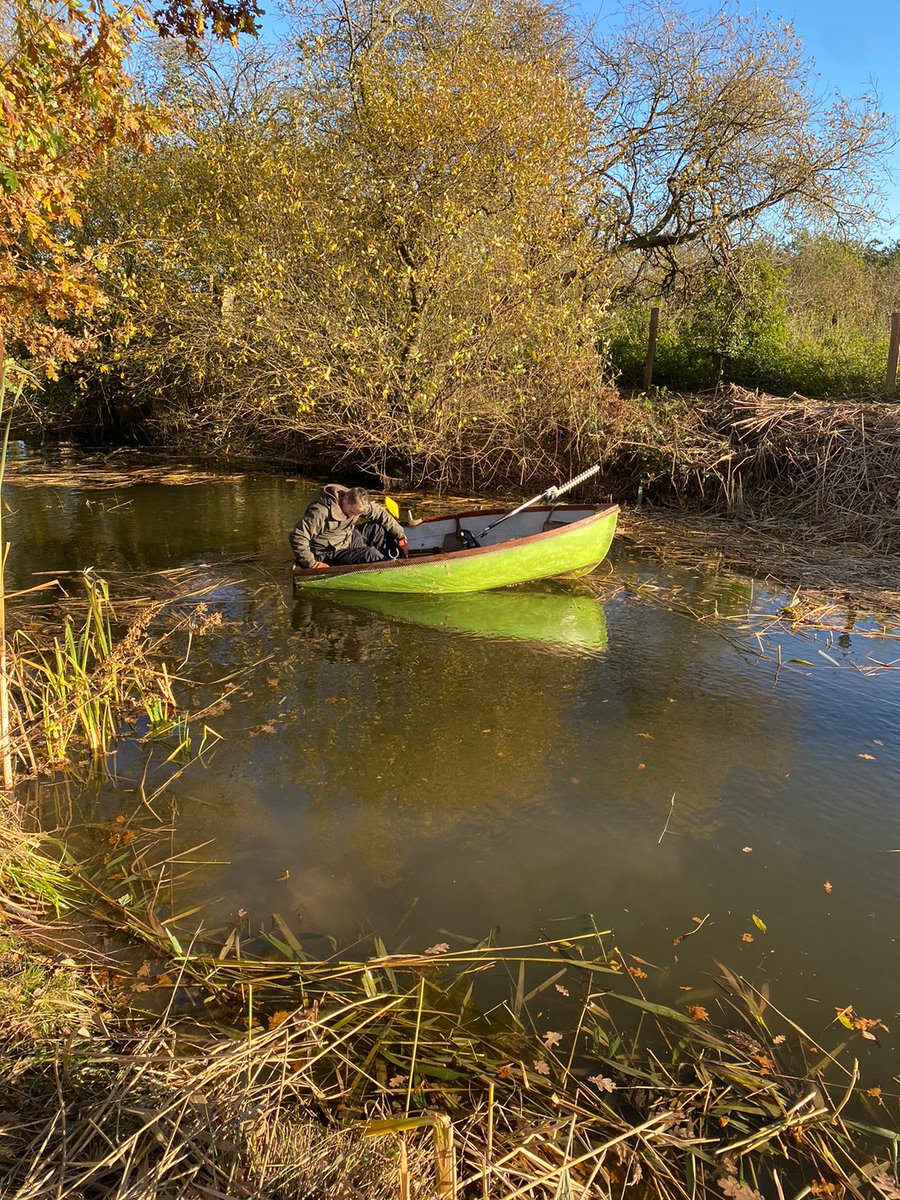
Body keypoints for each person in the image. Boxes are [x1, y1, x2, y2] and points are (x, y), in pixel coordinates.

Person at [289, 484, 408, 569]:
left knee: (377, 529)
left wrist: (401, 536)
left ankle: (399, 561)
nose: (354, 516)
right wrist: (312, 563)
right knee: (370, 553)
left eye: (358, 514)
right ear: (345, 499)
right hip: (328, 552)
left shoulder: (356, 501)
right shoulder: (320, 513)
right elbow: (298, 536)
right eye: (352, 513)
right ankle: (389, 568)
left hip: (348, 537)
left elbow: (380, 514)